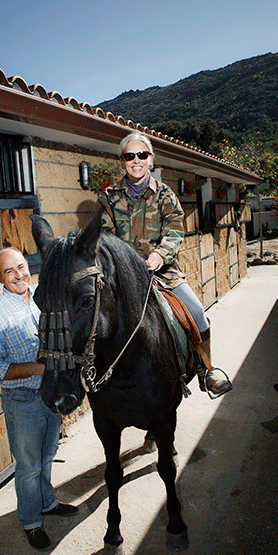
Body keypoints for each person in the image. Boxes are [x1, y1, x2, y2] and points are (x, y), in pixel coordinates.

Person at [97, 131, 232, 398]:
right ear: (122, 161)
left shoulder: (165, 194)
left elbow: (175, 229)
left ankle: (207, 369)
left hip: (164, 273)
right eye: (129, 155)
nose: (136, 160)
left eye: (142, 155)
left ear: (150, 159)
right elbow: (105, 235)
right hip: (124, 277)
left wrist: (160, 255)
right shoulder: (109, 197)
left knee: (196, 313)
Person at [0, 247, 78, 551]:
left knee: (47, 455)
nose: (19, 275)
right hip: (24, 400)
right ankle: (31, 521)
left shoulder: (44, 296)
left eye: (21, 266)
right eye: (9, 271)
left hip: (52, 394)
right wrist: (37, 368)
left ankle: (47, 503)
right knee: (29, 466)